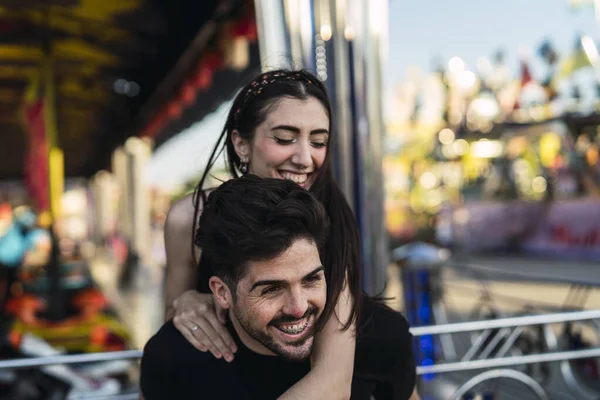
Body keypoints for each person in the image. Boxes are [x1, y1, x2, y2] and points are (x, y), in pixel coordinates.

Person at [163, 69, 363, 397]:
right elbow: (171, 325)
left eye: (318, 141)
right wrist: (185, 302)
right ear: (241, 143)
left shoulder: (331, 221)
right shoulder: (188, 217)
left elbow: (333, 381)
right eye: (284, 138)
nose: (304, 158)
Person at [141, 176, 418, 399]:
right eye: (271, 289)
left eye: (311, 279)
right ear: (222, 292)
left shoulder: (380, 336)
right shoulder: (173, 358)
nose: (298, 307)